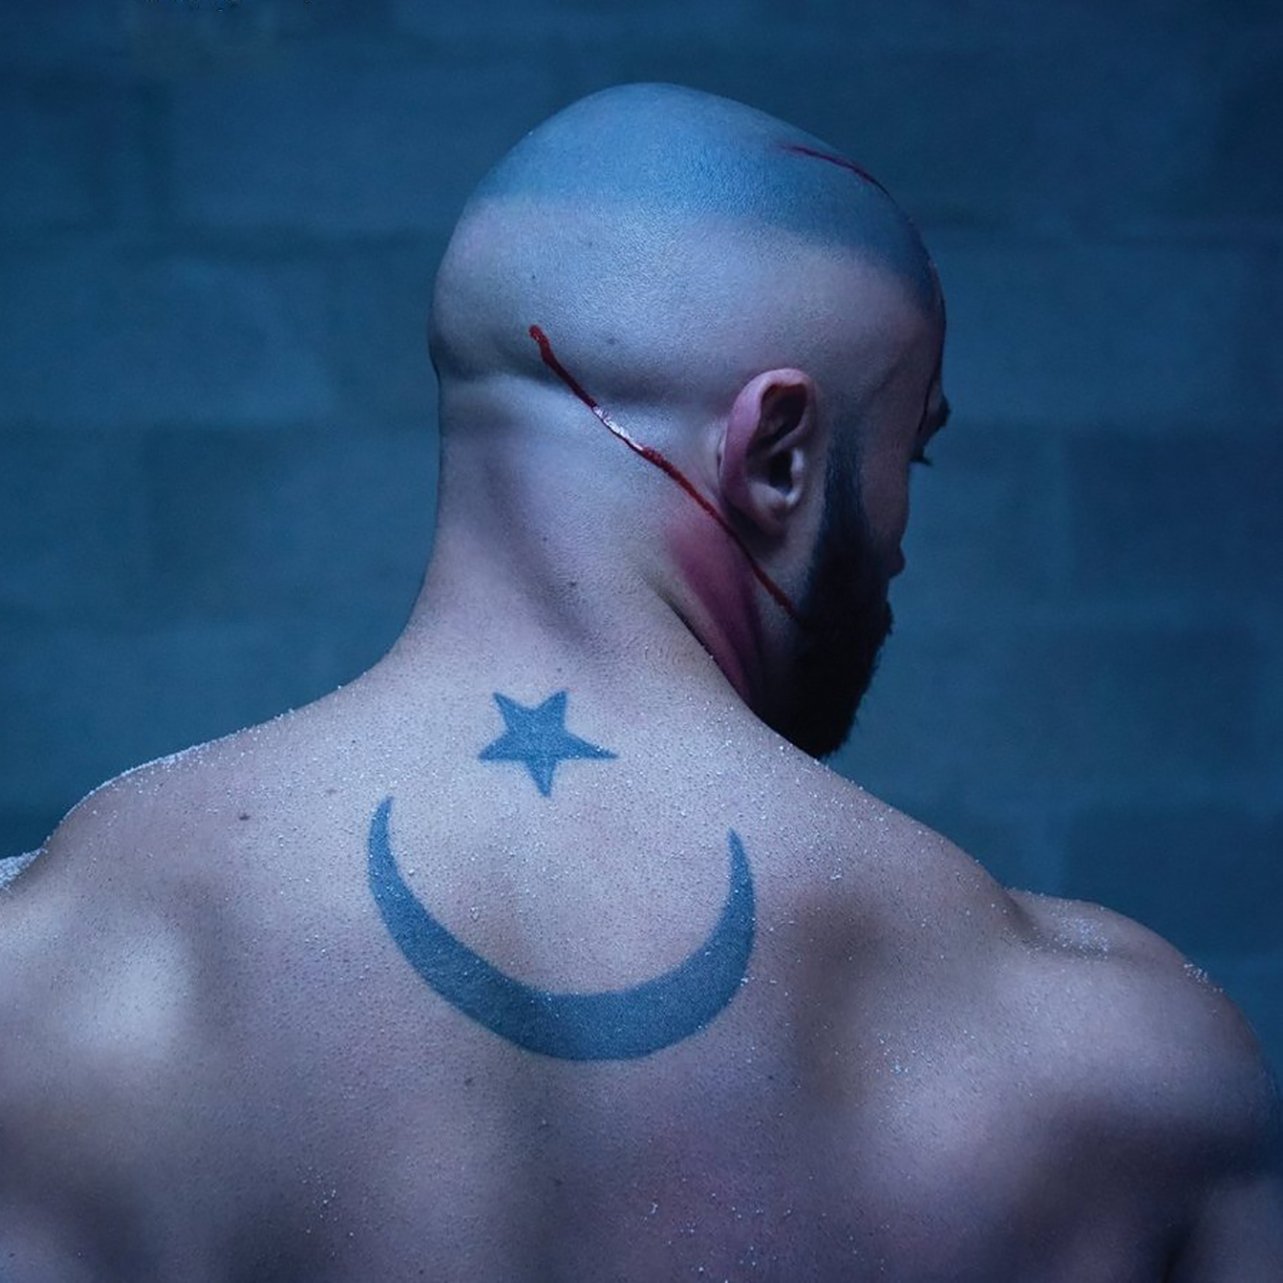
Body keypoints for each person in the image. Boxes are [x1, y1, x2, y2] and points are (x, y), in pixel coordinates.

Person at [1, 81, 1279, 1282]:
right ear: (776, 450)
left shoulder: (40, 976)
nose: (895, 536)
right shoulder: (1114, 1054)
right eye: (910, 455)